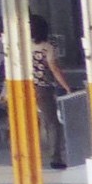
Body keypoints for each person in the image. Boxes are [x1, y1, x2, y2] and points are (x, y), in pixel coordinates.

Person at [29, 14, 70, 170]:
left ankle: (29, 155)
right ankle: (55, 157)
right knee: (51, 123)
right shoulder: (48, 47)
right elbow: (54, 69)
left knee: (31, 122)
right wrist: (67, 87)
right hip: (43, 88)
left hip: (24, 88)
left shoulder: (22, 46)